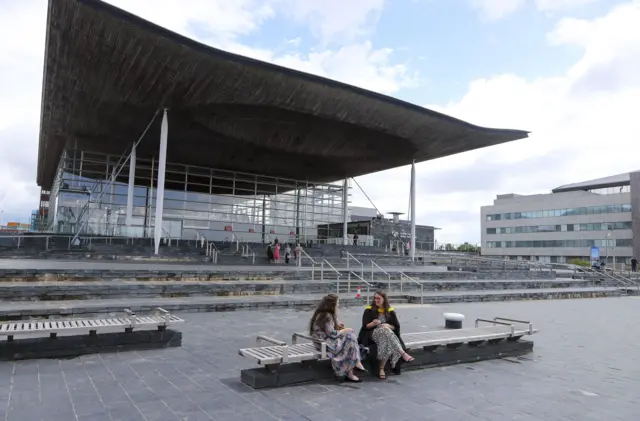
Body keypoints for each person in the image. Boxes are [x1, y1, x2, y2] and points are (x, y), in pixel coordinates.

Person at [309, 294, 366, 382]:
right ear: (332, 305)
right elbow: (332, 334)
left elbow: (329, 329)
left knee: (350, 338)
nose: (338, 305)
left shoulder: (325, 314)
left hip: (324, 341)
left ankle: (352, 369)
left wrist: (338, 326)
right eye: (337, 303)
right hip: (323, 343)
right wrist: (345, 330)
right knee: (350, 335)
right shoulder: (326, 315)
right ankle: (354, 365)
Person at [358, 290, 414, 379]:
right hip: (371, 334)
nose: (376, 300)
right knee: (385, 331)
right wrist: (373, 323)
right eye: (375, 298)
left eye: (378, 298)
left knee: (386, 336)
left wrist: (388, 325)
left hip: (386, 335)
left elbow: (395, 326)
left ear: (384, 299)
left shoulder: (390, 311)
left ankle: (381, 368)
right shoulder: (369, 310)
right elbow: (365, 326)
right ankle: (402, 353)